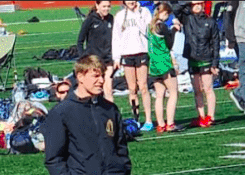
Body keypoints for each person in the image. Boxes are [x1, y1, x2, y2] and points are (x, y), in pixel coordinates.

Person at [174, 1, 220, 128]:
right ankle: (201, 116)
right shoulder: (187, 19)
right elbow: (175, 9)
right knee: (197, 90)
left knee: (208, 88)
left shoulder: (210, 22)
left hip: (206, 58)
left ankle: (211, 116)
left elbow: (215, 43)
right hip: (193, 58)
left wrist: (215, 62)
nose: (198, 5)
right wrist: (189, 1)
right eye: (196, 3)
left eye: (200, 3)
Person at [112, 0, 153, 132]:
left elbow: (147, 30)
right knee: (132, 89)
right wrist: (117, 58)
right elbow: (116, 38)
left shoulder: (144, 12)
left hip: (141, 52)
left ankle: (148, 120)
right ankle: (136, 119)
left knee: (144, 86)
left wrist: (137, 14)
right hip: (127, 54)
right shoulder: (119, 16)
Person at [147, 3, 181, 133]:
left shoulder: (150, 26)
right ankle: (170, 123)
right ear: (165, 13)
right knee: (173, 92)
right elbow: (169, 44)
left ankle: (160, 124)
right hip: (164, 62)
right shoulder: (162, 26)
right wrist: (174, 30)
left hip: (154, 64)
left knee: (159, 95)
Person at [76, 1, 115, 102]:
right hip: (94, 62)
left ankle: (111, 115)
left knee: (108, 90)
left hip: (108, 60)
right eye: (104, 6)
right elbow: (80, 41)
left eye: (108, 6)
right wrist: (83, 58)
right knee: (95, 91)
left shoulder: (111, 19)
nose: (106, 9)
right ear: (97, 6)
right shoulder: (90, 20)